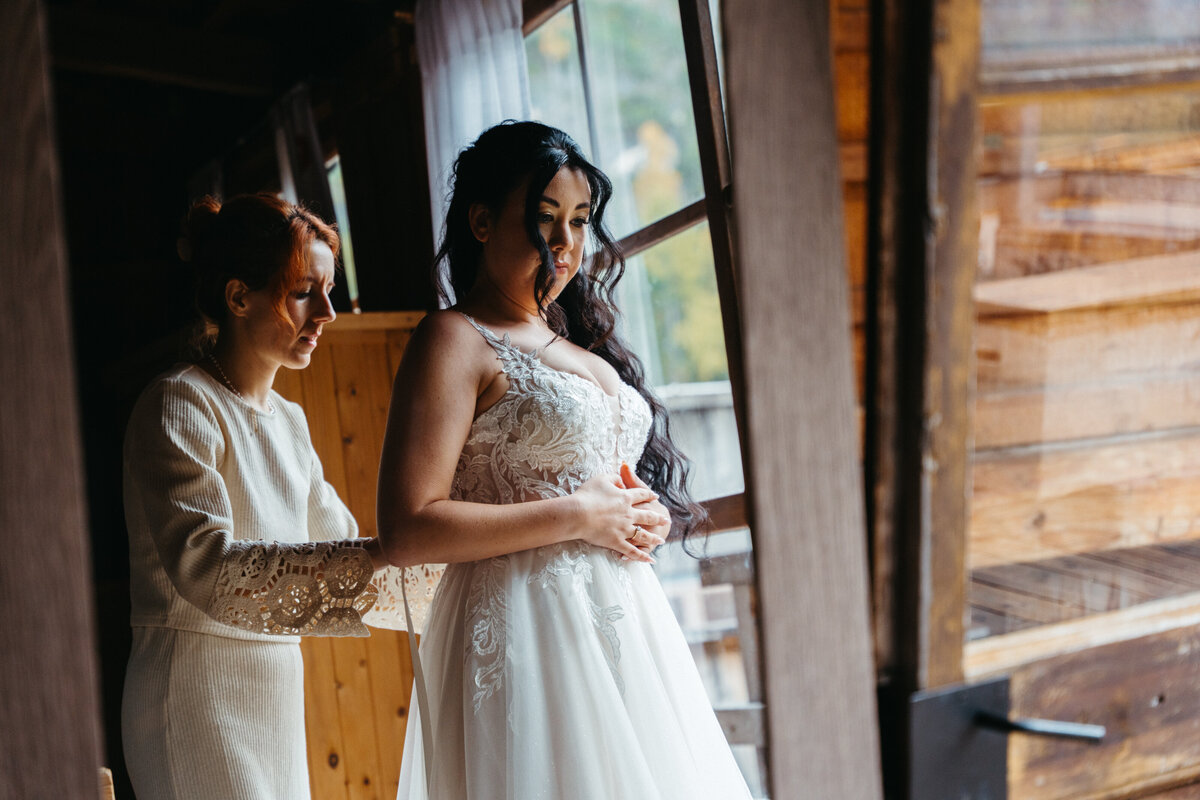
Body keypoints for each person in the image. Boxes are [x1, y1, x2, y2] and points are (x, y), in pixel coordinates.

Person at [377, 121, 753, 799]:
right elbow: (408, 528)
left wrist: (642, 516)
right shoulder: (455, 340)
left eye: (580, 221)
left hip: (628, 624)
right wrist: (582, 514)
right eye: (544, 218)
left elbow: (605, 484)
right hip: (527, 630)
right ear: (483, 222)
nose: (565, 242)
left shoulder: (576, 348)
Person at [121, 193, 408, 800]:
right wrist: (377, 563)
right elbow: (204, 566)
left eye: (329, 290)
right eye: (305, 291)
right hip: (198, 690)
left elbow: (346, 549)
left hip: (276, 686)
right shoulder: (179, 402)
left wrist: (469, 577)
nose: (328, 312)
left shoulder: (289, 421)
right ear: (238, 296)